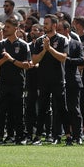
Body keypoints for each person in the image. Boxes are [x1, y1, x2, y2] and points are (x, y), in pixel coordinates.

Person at [31, 14, 69, 143]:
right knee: (42, 108)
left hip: (58, 79)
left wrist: (50, 49)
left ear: (54, 25)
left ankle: (67, 135)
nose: (44, 26)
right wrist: (44, 50)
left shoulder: (62, 40)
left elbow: (63, 57)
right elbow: (34, 59)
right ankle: (38, 136)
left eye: (46, 23)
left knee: (61, 107)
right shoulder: (40, 40)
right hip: (43, 79)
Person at [0, 17, 31, 144]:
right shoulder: (1, 45)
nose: (5, 29)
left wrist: (11, 60)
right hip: (3, 82)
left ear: (16, 28)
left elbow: (27, 65)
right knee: (1, 110)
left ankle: (20, 136)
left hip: (17, 83)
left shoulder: (23, 45)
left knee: (18, 111)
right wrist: (4, 60)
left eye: (8, 27)